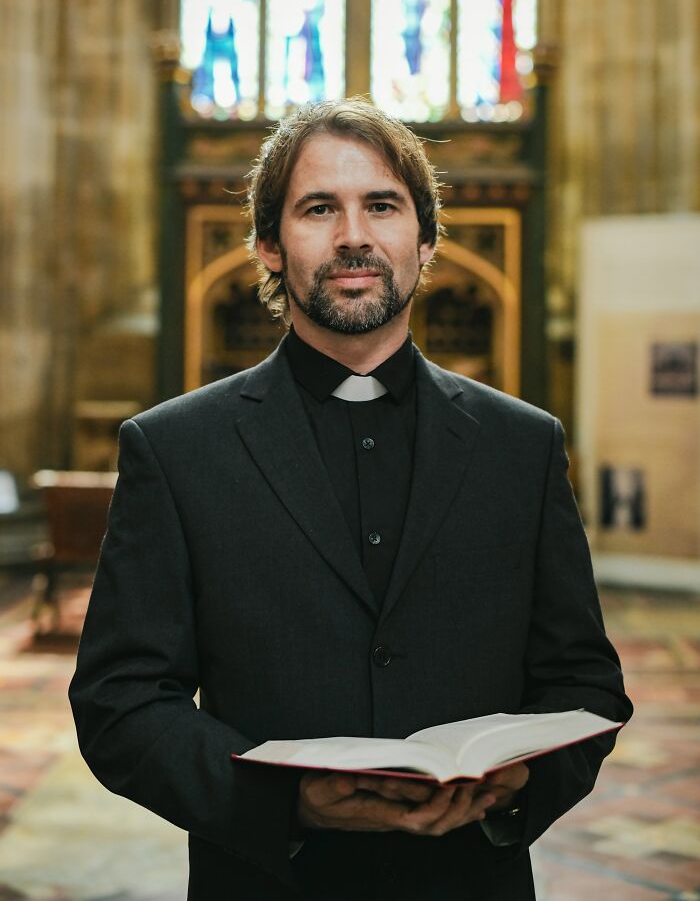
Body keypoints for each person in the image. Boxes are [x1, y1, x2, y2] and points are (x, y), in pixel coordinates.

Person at [70, 97, 632, 901]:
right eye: (317, 208)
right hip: (266, 882)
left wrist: (514, 791)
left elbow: (585, 683)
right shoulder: (176, 450)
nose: (353, 236)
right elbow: (119, 701)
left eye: (381, 205)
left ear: (425, 238)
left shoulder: (523, 446)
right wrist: (283, 803)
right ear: (267, 244)